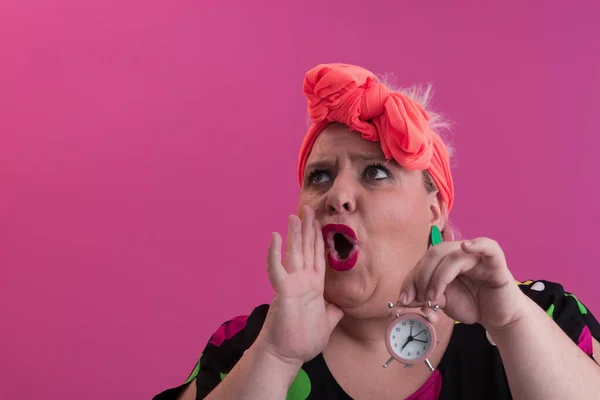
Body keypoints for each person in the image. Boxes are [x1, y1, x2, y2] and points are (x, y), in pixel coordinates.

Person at [153, 63, 600, 399]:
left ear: (435, 209)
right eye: (321, 176)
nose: (337, 196)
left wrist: (512, 323)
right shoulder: (249, 345)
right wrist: (276, 357)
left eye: (376, 173)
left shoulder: (540, 317)